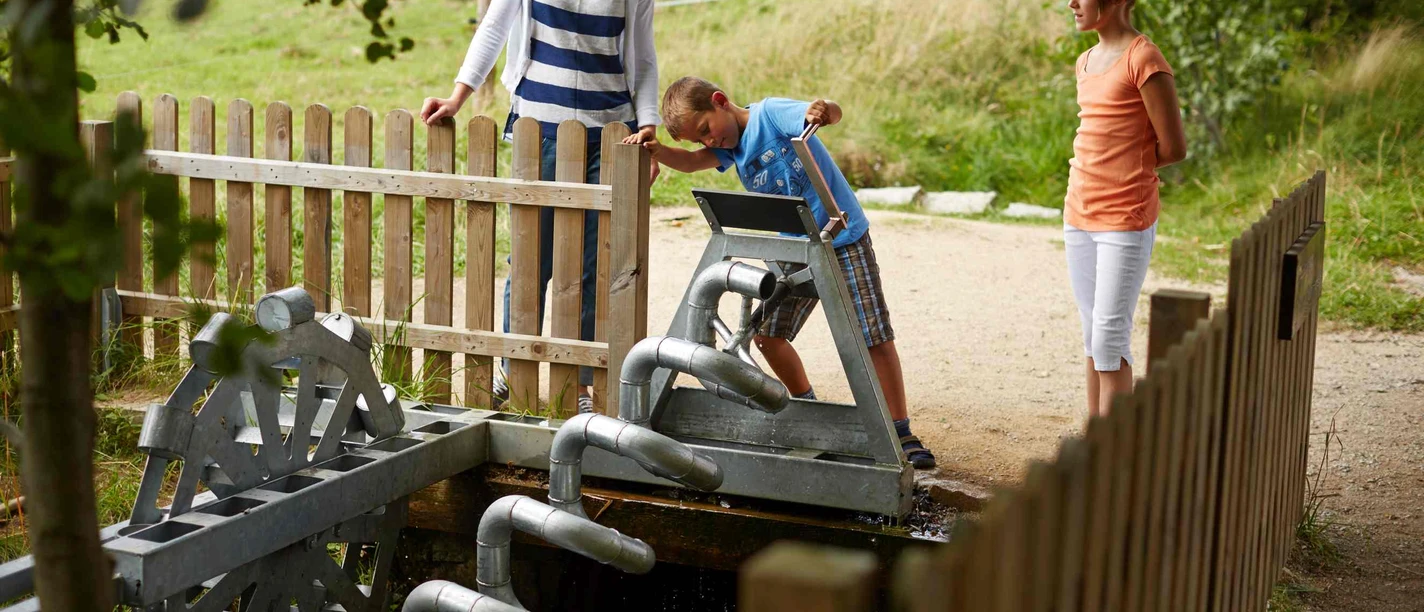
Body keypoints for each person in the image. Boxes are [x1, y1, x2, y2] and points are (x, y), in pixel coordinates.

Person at [643, 76, 936, 469]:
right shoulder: (729, 150)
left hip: (841, 237)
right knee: (766, 335)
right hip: (793, 250)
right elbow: (693, 163)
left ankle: (901, 430)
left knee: (872, 336)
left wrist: (822, 110)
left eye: (706, 130)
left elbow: (826, 111)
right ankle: (807, 408)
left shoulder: (771, 115)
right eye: (701, 140)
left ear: (720, 101)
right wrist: (658, 150)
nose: (708, 143)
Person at [420, 0, 662, 413]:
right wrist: (459, 97)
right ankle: (514, 370)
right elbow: (494, 27)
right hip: (540, 131)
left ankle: (581, 383)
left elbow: (642, 56)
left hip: (611, 135)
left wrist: (647, 128)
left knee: (593, 266)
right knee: (532, 262)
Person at [1063, 0, 1187, 417]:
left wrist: (1121, 166)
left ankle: (1111, 460)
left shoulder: (1144, 59)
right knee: (1091, 335)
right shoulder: (1085, 61)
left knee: (1109, 337)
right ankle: (1094, 447)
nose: (1072, 3)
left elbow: (1173, 147)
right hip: (1078, 213)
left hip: (1125, 217)